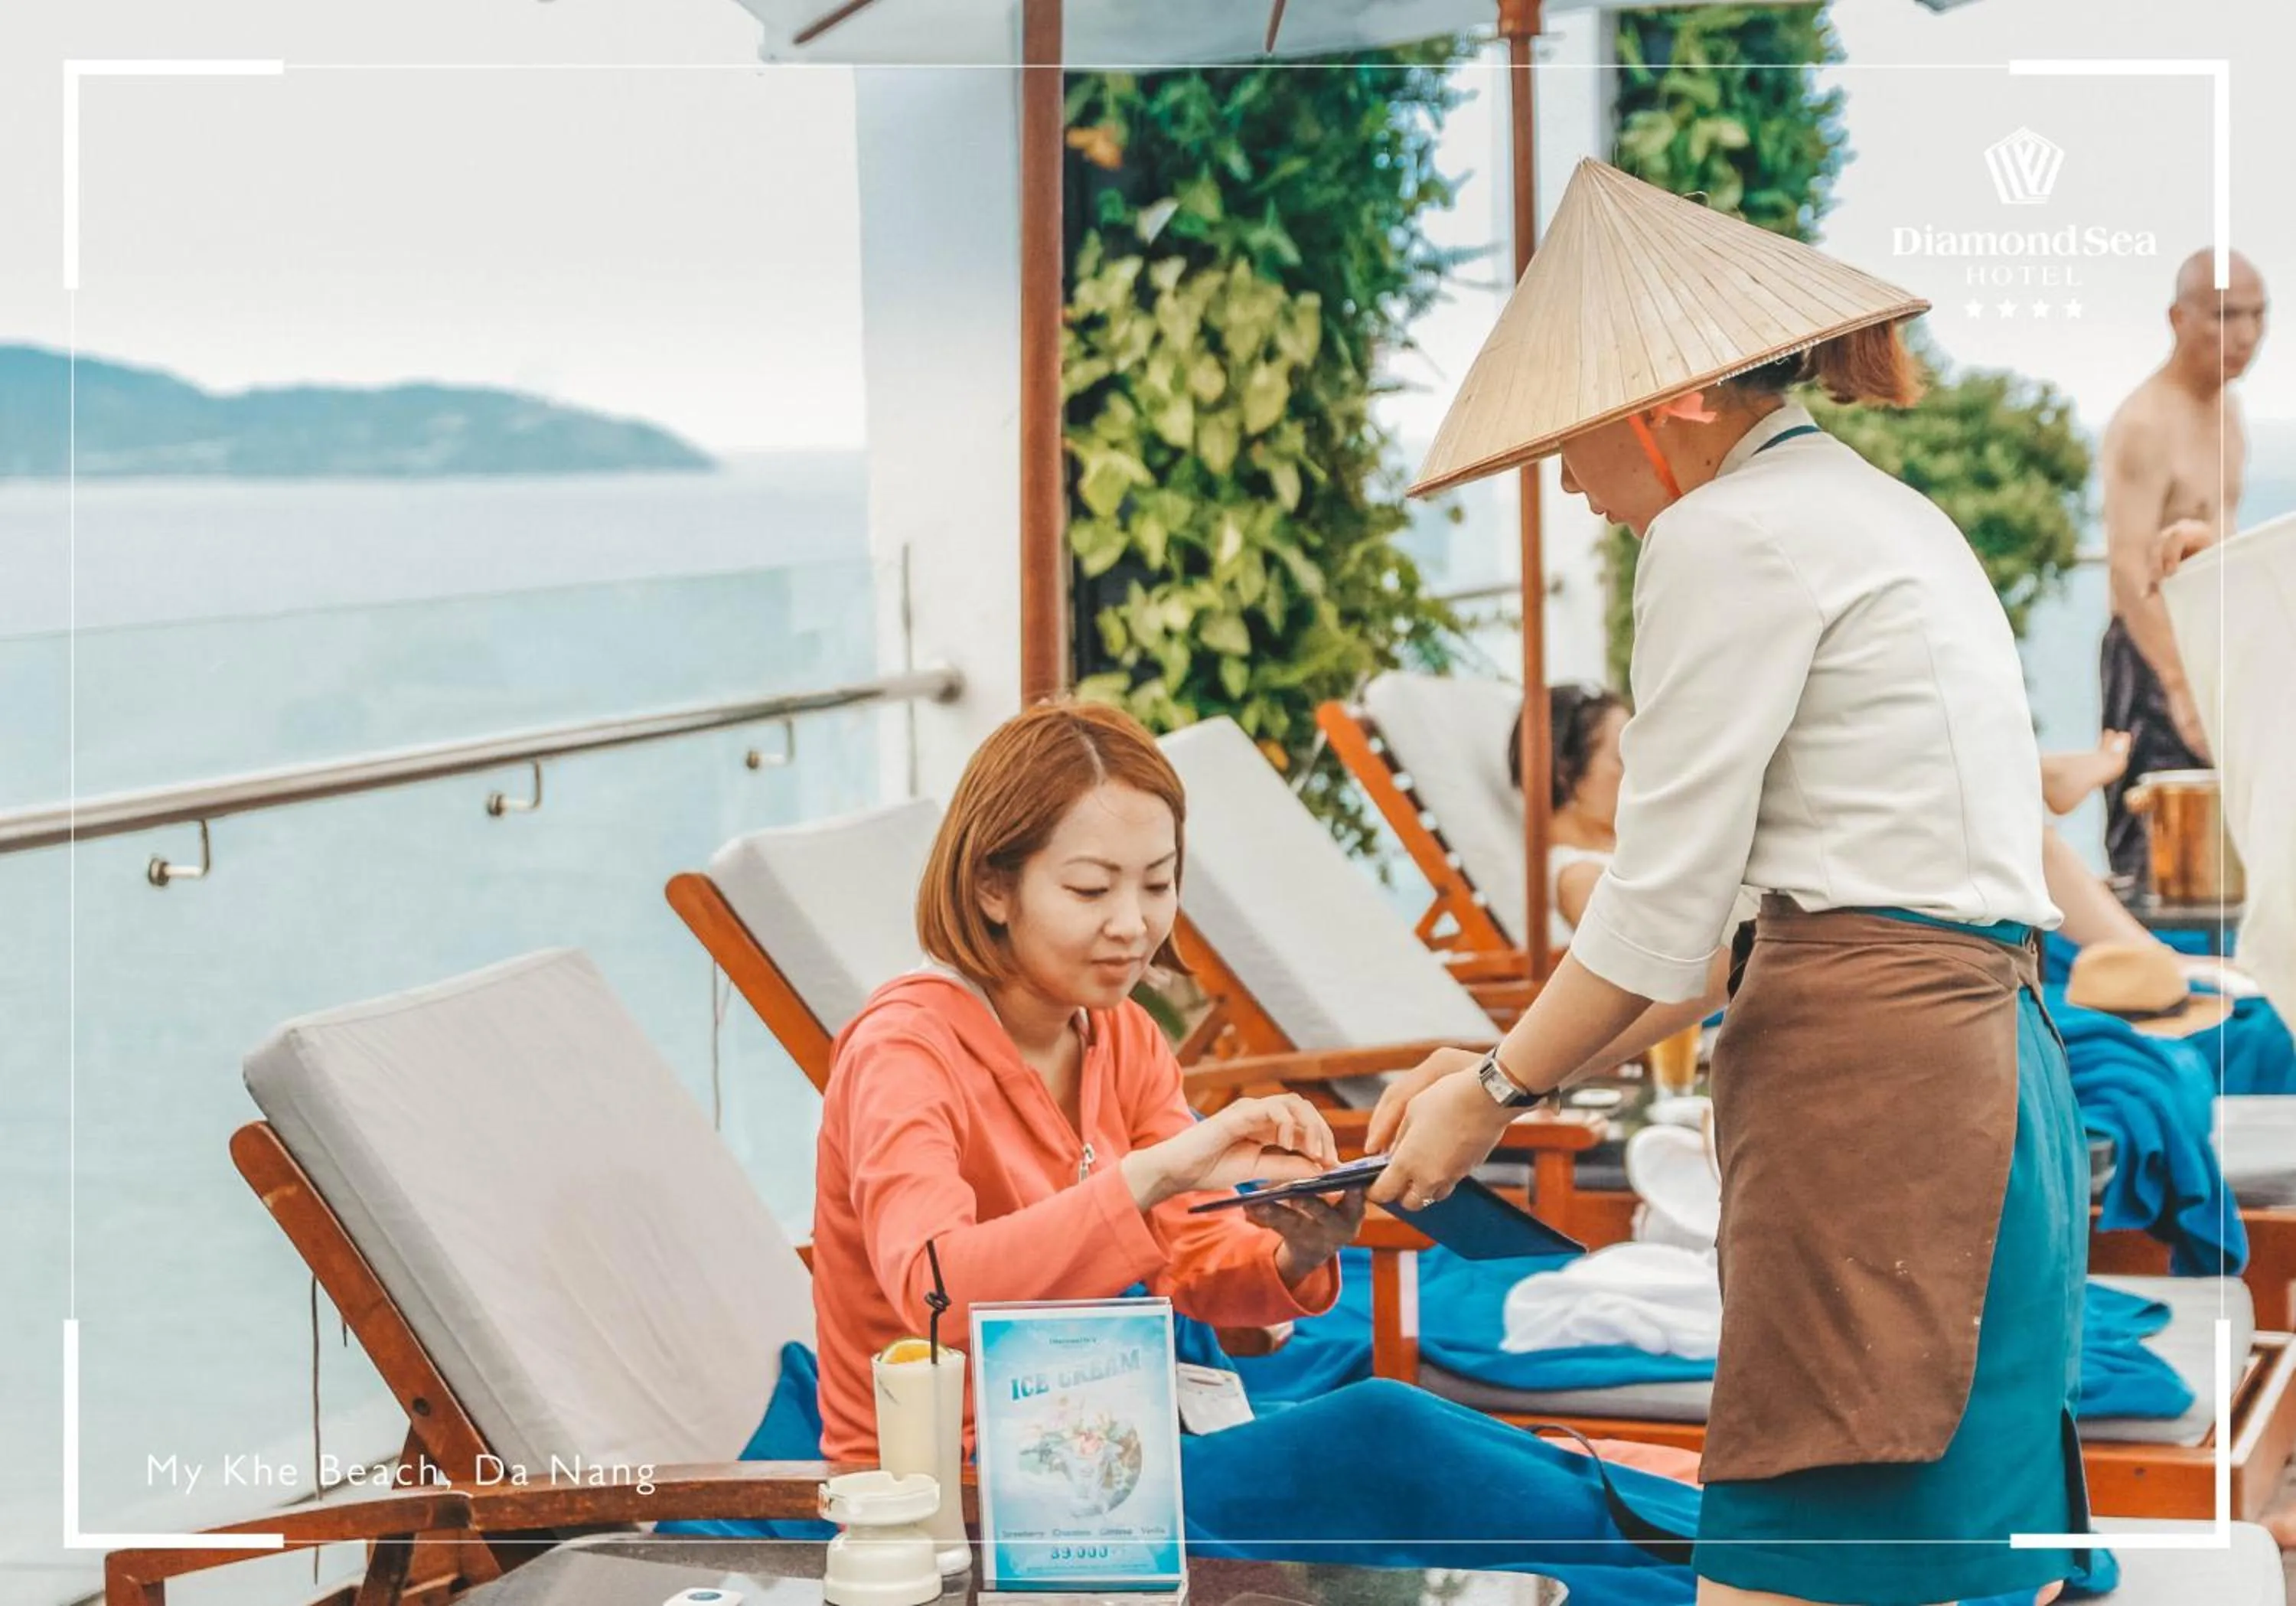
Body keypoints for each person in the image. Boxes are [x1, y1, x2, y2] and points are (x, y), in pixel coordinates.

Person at [1384, 158, 2090, 1606]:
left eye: (1570, 446)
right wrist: (1498, 1072)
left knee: (1789, 1577)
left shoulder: (1724, 534)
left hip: (1875, 1107)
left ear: (1677, 402)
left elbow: (1657, 928)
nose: (1574, 492)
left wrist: (1490, 1092)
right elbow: (1705, 958)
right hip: (1986, 1079)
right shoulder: (1879, 511)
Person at [809, 698, 1705, 1601]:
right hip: (968, 1504)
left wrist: (1295, 1247)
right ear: (992, 886)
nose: (1132, 922)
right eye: (1090, 889)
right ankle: (1700, 1565)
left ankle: (1697, 1546)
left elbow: (1192, 1255)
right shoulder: (905, 1051)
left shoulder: (1119, 1037)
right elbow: (933, 1291)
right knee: (1386, 1435)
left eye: (1157, 884)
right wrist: (1161, 1169)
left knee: (1439, 1449)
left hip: (1121, 1450)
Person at [2099, 249, 2269, 882]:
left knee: (2235, 845)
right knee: (2155, 852)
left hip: (2217, 646)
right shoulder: (2145, 423)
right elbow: (2126, 569)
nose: (2245, 335)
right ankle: (2144, 975)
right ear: (2178, 317)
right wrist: (2178, 683)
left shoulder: (2231, 411)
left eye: (2257, 315)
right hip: (2152, 657)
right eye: (2225, 316)